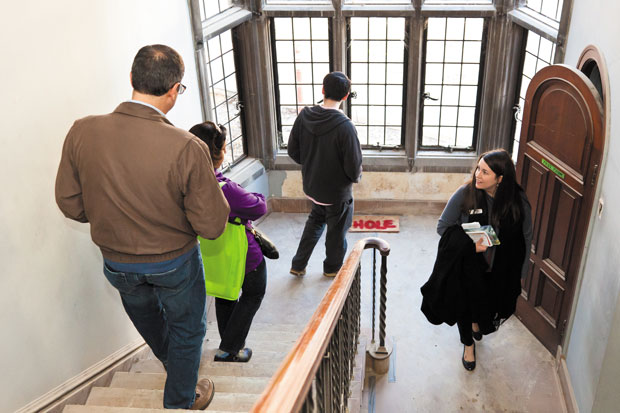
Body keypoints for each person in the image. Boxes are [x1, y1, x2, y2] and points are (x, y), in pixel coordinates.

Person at [55, 44, 230, 410]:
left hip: (117, 263)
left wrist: (112, 217)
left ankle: (177, 371)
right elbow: (213, 225)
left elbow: (70, 203)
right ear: (173, 91)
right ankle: (180, 401)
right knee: (188, 330)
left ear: (132, 79)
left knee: (150, 322)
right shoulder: (187, 147)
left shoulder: (82, 131)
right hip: (174, 263)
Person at [435, 149, 532, 371]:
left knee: (488, 304)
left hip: (500, 269)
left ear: (500, 179)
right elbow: (443, 227)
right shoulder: (465, 194)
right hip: (467, 265)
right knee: (465, 304)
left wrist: (522, 271)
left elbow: (526, 237)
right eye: (478, 168)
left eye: (485, 172)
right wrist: (471, 242)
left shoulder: (518, 201)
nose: (478, 175)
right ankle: (468, 345)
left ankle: (476, 322)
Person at [189, 121, 267, 363]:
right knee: (253, 293)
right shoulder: (225, 189)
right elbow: (259, 206)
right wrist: (254, 195)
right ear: (217, 153)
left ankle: (226, 345)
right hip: (243, 254)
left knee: (226, 294)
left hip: (211, 251)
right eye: (223, 147)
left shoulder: (188, 183)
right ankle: (231, 348)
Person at [287, 71, 363, 278]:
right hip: (337, 193)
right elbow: (354, 166)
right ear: (346, 96)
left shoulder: (304, 116)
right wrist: (354, 179)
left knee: (315, 222)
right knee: (336, 232)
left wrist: (312, 164)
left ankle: (298, 264)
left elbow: (293, 150)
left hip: (313, 187)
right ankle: (331, 269)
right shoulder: (345, 127)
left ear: (322, 90)